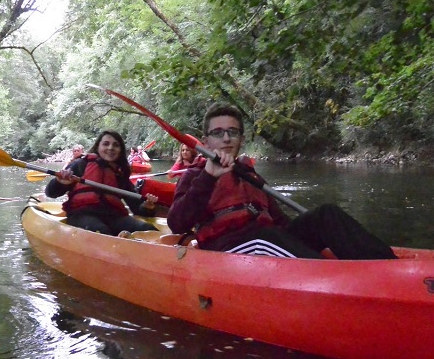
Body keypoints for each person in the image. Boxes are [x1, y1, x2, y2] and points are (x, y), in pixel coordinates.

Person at [167, 103, 397, 260]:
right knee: (269, 237)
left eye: (232, 132)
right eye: (218, 133)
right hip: (228, 247)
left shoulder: (251, 175)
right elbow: (177, 223)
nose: (226, 138)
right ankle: (341, 280)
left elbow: (281, 222)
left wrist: (307, 235)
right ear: (206, 141)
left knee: (326, 215)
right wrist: (208, 176)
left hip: (267, 238)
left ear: (241, 139)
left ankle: (389, 268)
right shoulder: (195, 176)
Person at [45, 130, 160, 235]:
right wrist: (60, 182)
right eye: (106, 144)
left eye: (116, 145)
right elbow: (50, 193)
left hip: (114, 217)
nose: (111, 148)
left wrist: (147, 207)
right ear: (98, 147)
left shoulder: (119, 175)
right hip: (82, 214)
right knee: (100, 230)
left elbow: (136, 209)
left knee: (147, 228)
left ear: (120, 150)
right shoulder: (80, 164)